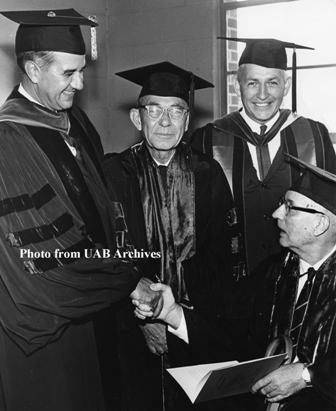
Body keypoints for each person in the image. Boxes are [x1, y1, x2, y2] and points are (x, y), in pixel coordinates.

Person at [0, 9, 162, 411]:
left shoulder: (74, 122)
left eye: (82, 70)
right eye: (69, 72)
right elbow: (43, 251)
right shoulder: (8, 141)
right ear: (34, 71)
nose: (81, 82)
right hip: (50, 323)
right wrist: (126, 282)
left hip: (92, 305)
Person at [135, 154, 336, 411]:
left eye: (289, 207)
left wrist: (306, 376)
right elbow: (232, 336)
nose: (275, 213)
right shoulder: (274, 271)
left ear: (320, 224)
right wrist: (175, 315)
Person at [103, 61, 243, 411]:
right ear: (138, 119)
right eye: (154, 110)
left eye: (176, 111)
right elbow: (108, 259)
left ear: (187, 121)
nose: (165, 122)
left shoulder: (207, 174)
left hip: (194, 327)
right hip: (131, 330)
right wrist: (145, 321)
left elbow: (222, 262)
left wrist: (182, 320)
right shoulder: (112, 175)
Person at [191, 38, 336, 275]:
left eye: (272, 82)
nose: (262, 94)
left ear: (286, 85)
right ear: (238, 86)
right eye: (252, 83)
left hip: (297, 278)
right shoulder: (208, 140)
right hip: (228, 282)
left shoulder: (314, 135)